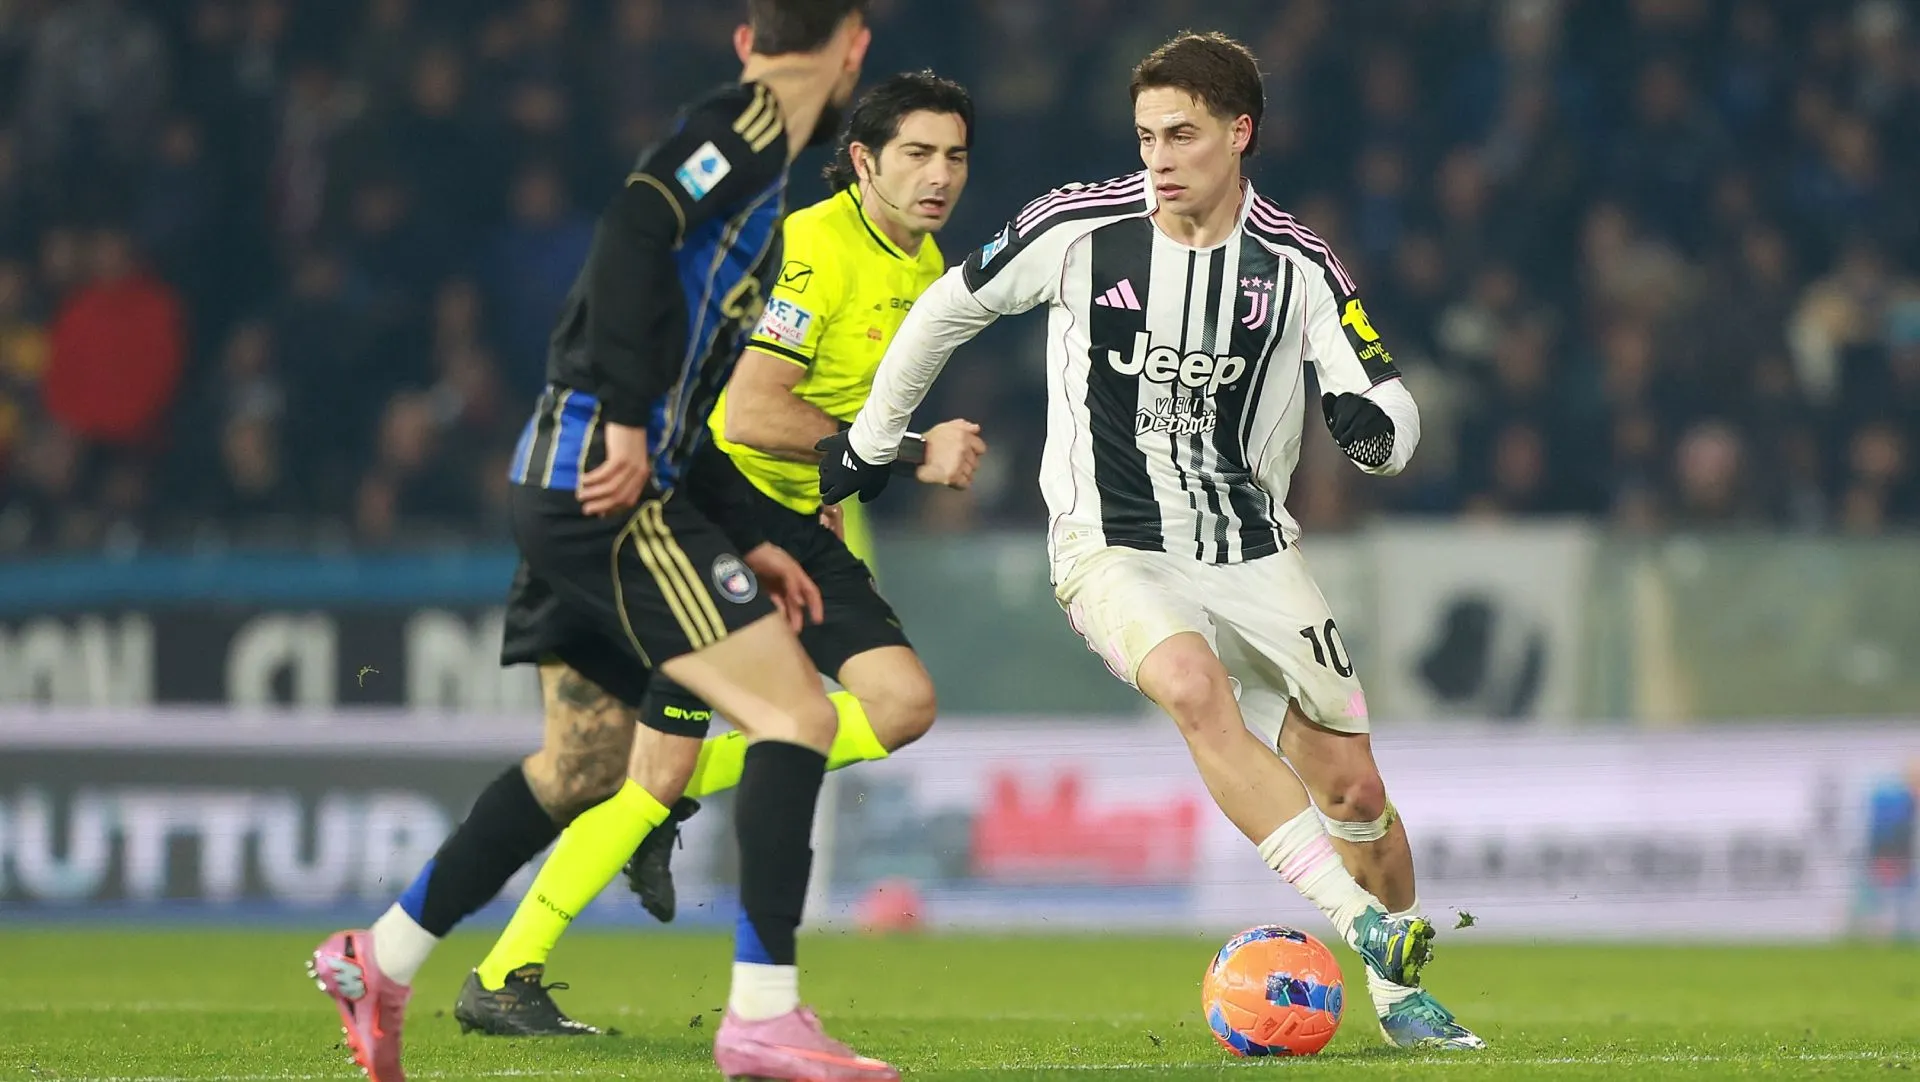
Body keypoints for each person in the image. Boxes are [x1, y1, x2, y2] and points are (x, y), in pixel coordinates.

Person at [819, 30, 1485, 1051]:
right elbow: (946, 311)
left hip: (1254, 548)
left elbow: (1383, 396)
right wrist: (870, 443)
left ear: (1239, 132)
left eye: (1181, 135)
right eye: (1144, 138)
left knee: (1355, 788)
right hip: (1110, 540)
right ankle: (1365, 928)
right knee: (1190, 685)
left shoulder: (1297, 264)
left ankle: (1401, 996)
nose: (1159, 159)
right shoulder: (1078, 228)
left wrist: (1379, 441)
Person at [307, 5, 912, 1081]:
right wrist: (625, 415)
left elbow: (691, 393)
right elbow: (635, 224)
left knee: (586, 764)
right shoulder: (757, 122)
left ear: (743, 34)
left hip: (572, 478)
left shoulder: (764, 178)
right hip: (607, 480)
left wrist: (745, 533)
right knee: (796, 710)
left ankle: (380, 954)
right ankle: (763, 1014)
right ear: (853, 46)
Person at [449, 69, 985, 1040]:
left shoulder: (927, 262)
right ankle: (502, 971)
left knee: (896, 704)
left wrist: (839, 480)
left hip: (802, 520)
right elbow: (754, 409)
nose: (938, 174)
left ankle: (667, 805)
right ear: (863, 160)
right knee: (665, 767)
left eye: (953, 155)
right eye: (915, 152)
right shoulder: (815, 246)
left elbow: (833, 414)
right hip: (718, 523)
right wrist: (910, 452)